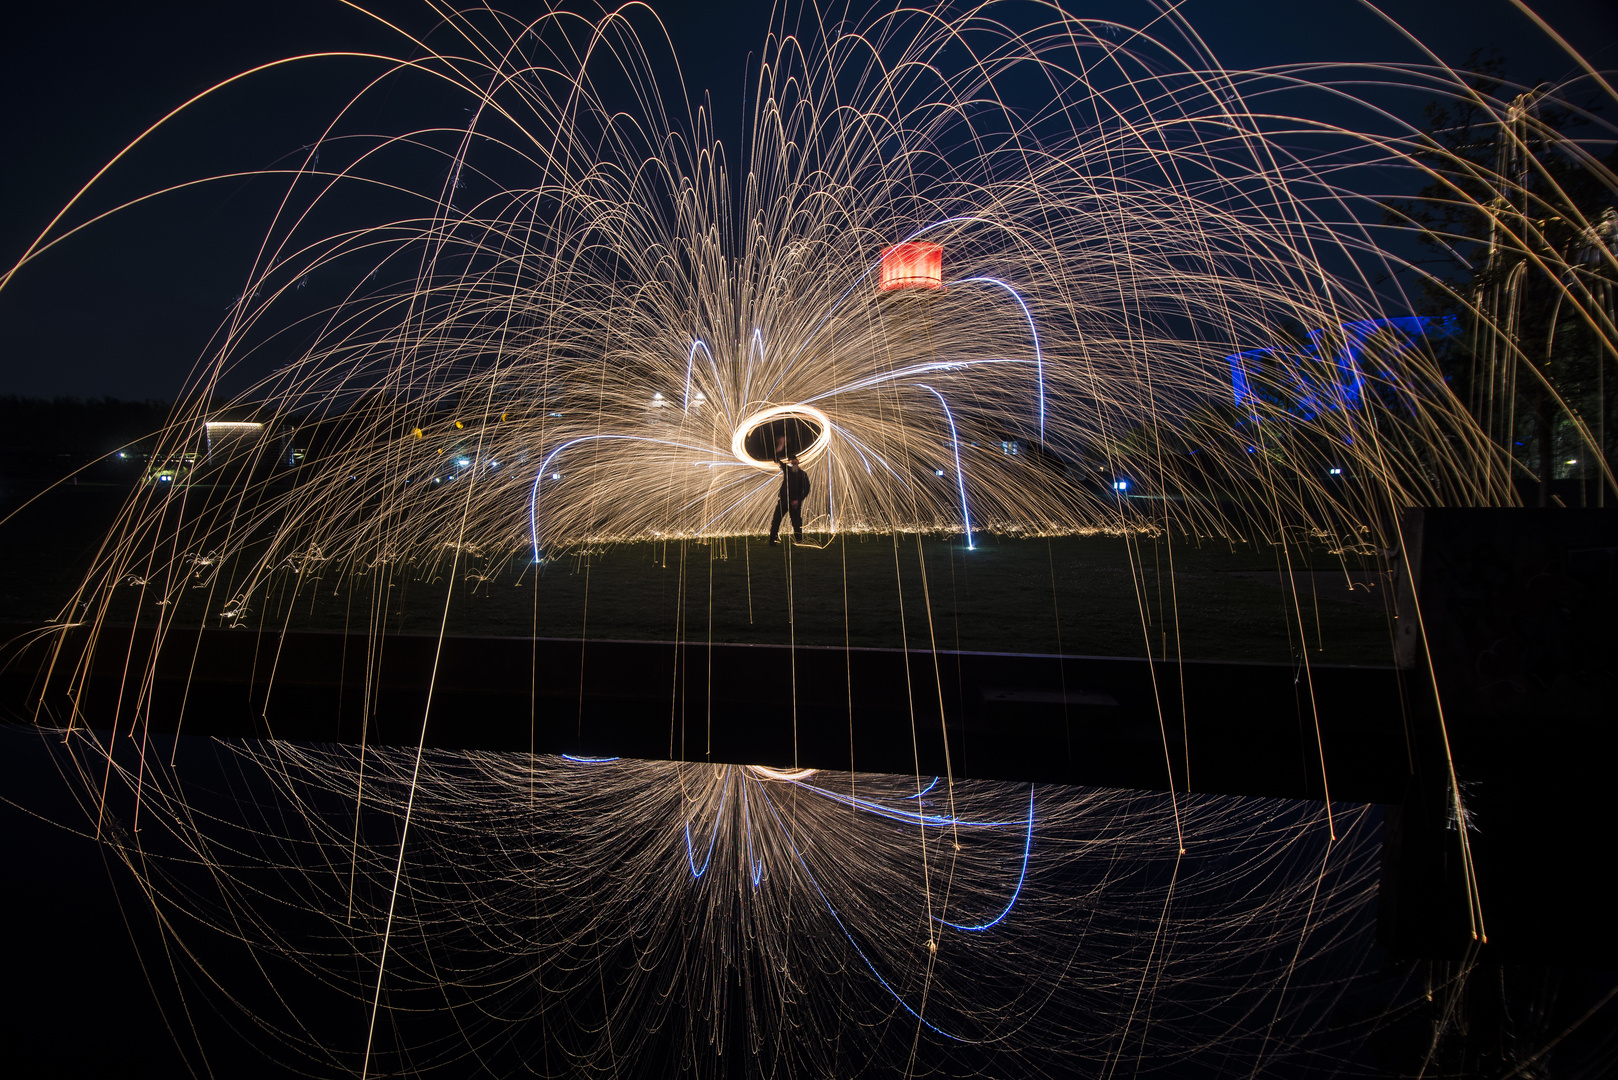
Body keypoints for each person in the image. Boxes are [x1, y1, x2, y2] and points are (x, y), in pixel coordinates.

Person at [769, 454, 811, 544]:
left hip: (795, 503)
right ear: (791, 462)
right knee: (776, 520)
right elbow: (777, 459)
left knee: (796, 522)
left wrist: (798, 500)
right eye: (792, 460)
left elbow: (807, 489)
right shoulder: (787, 470)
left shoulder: (803, 474)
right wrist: (779, 448)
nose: (794, 461)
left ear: (798, 461)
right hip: (784, 501)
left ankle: (799, 540)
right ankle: (772, 540)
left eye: (795, 459)